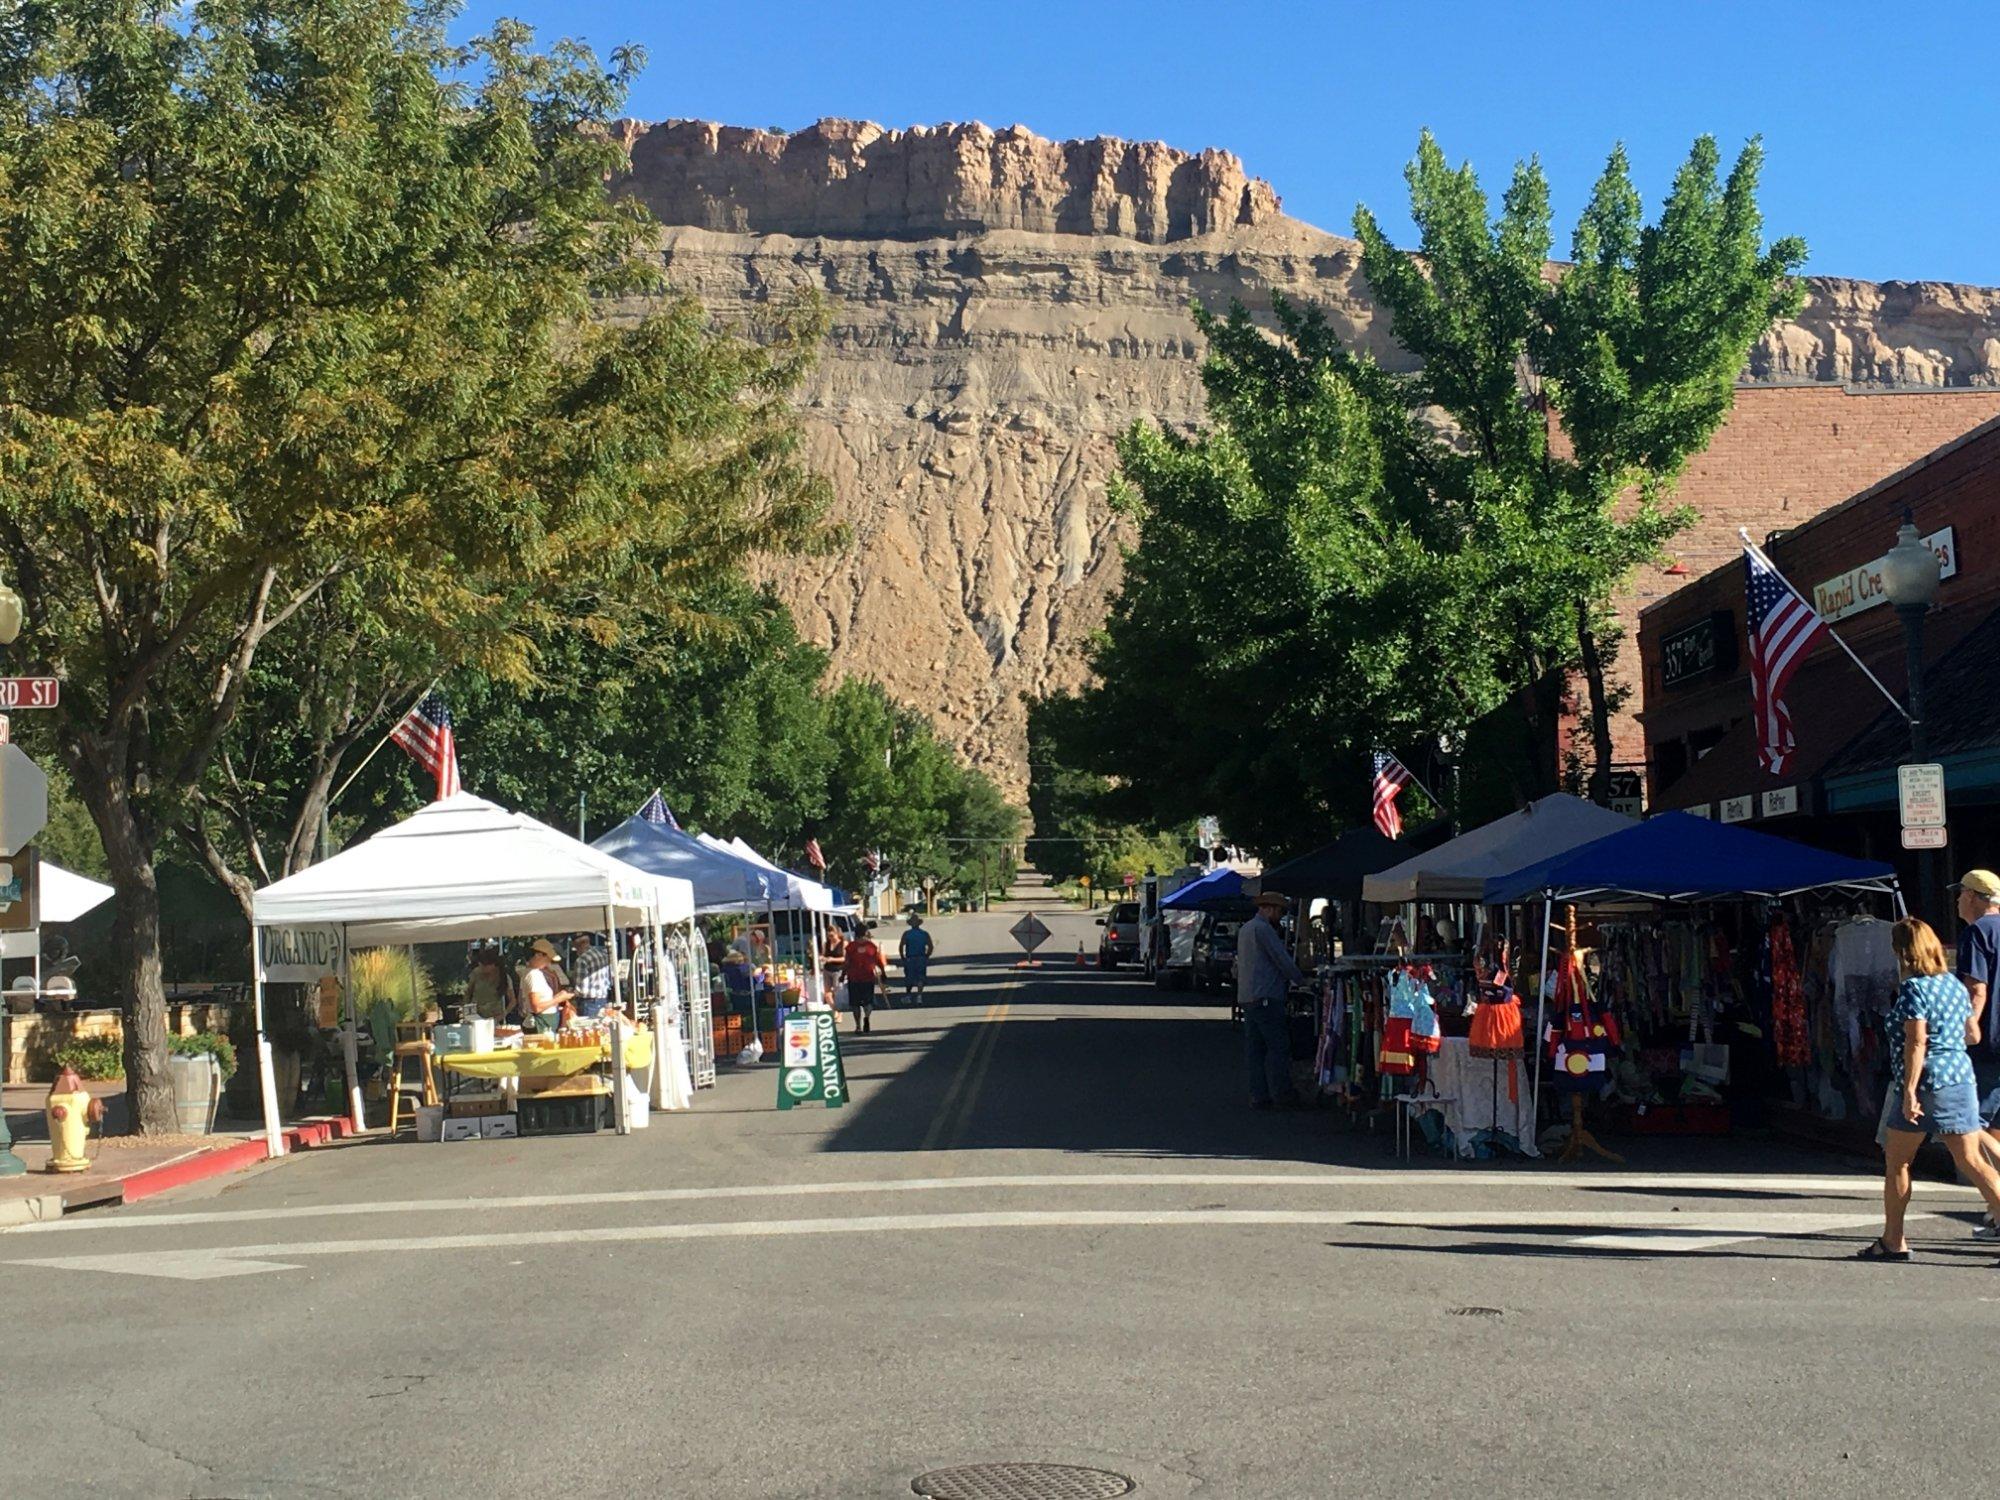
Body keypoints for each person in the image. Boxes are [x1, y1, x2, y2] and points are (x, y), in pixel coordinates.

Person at [1860, 916, 2000, 1261]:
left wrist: (1908, 1090)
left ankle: (1894, 1240)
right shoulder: (1953, 984)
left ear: (1903, 953)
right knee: (1973, 1162)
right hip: (1959, 1077)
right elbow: (1973, 1034)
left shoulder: (1914, 989)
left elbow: (1916, 1041)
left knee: (1898, 1162)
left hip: (1925, 1082)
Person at [1238, 890, 1306, 1110]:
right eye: (1278, 911)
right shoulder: (1263, 930)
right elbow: (1282, 959)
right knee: (1278, 1047)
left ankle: (1258, 1094)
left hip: (1248, 996)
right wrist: (1301, 979)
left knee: (1255, 1050)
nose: (1280, 915)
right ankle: (1283, 1093)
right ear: (1268, 908)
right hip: (1267, 995)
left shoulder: (1246, 929)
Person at [521, 938, 574, 1033]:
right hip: (541, 1023)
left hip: (546, 1021)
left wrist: (558, 996)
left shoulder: (534, 973)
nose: (549, 962)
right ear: (538, 955)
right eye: (548, 958)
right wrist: (559, 999)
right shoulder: (533, 974)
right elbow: (536, 1007)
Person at [844, 923, 886, 1034]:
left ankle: (858, 1026)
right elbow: (878, 961)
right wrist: (884, 973)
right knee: (868, 1002)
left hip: (854, 978)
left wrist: (843, 975)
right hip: (868, 977)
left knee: (855, 1004)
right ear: (865, 932)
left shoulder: (851, 947)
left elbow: (847, 963)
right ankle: (867, 1016)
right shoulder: (871, 946)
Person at [464, 947, 516, 1022]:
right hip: (476, 1016)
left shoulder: (505, 977)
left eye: (483, 966)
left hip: (494, 1017)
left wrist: (503, 1015)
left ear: (493, 965)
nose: (481, 967)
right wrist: (468, 1014)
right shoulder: (476, 973)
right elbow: (468, 993)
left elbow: (513, 1001)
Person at [570, 932, 613, 1019]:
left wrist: (570, 993)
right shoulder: (602, 955)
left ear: (576, 945)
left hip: (588, 1003)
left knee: (588, 1029)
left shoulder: (581, 960)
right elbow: (610, 978)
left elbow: (581, 989)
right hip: (603, 999)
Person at [899, 914, 935, 1004]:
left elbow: (901, 946)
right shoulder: (924, 934)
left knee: (909, 977)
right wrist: (927, 956)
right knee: (920, 977)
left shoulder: (907, 934)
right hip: (921, 958)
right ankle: (919, 995)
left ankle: (908, 995)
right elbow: (930, 946)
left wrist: (903, 957)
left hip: (910, 958)